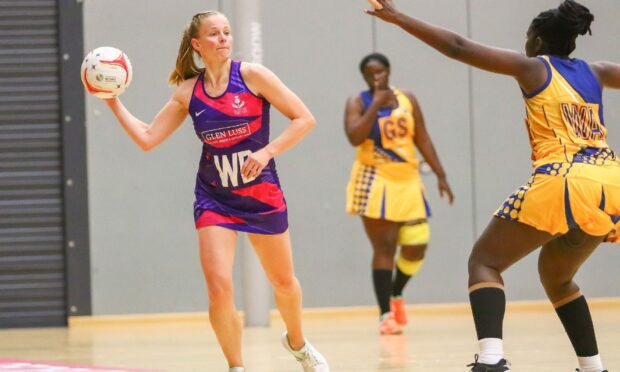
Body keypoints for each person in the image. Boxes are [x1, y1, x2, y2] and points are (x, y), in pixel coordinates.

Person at [367, 0, 620, 371]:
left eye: (526, 37)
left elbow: (458, 47)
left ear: (535, 40)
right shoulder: (597, 72)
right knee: (558, 277)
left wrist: (399, 17)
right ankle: (593, 367)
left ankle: (491, 359)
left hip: (564, 178)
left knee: (484, 262)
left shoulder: (532, 66)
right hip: (611, 182)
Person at [100, 11, 329, 372]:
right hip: (214, 198)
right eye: (214, 34)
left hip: (261, 194)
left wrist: (267, 151)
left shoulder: (253, 76)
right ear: (197, 45)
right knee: (219, 288)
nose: (223, 39)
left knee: (284, 284)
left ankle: (298, 344)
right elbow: (147, 138)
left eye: (226, 32)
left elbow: (305, 119)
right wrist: (112, 101)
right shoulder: (189, 93)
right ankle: (236, 365)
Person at [344, 52, 454, 335]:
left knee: (417, 244)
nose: (375, 77)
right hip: (375, 178)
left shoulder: (407, 99)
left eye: (379, 71)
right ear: (364, 77)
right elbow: (354, 135)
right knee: (385, 247)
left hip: (407, 178)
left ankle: (395, 293)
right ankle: (385, 316)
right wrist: (376, 106)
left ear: (389, 71)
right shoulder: (358, 102)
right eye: (369, 73)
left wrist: (440, 174)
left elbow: (423, 136)